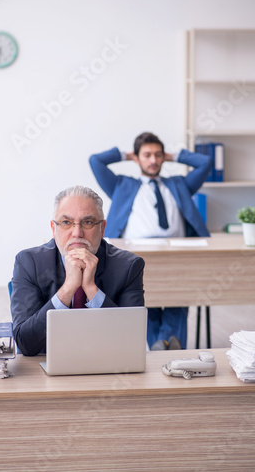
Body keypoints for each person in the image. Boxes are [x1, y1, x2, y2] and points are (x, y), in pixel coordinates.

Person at [89, 132, 211, 351]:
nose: (153, 161)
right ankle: (167, 342)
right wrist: (127, 154)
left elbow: (205, 163)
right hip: (137, 255)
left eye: (158, 155)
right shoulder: (121, 186)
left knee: (179, 298)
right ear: (137, 158)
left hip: (177, 255)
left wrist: (172, 156)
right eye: (147, 155)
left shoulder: (179, 185)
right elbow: (95, 161)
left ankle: (160, 344)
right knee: (146, 300)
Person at [10, 186, 145, 356]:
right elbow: (25, 343)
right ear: (53, 228)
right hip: (45, 365)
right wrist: (68, 289)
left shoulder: (128, 266)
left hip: (106, 364)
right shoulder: (29, 262)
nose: (77, 233)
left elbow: (132, 340)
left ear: (102, 228)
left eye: (87, 222)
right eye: (66, 222)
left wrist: (90, 288)